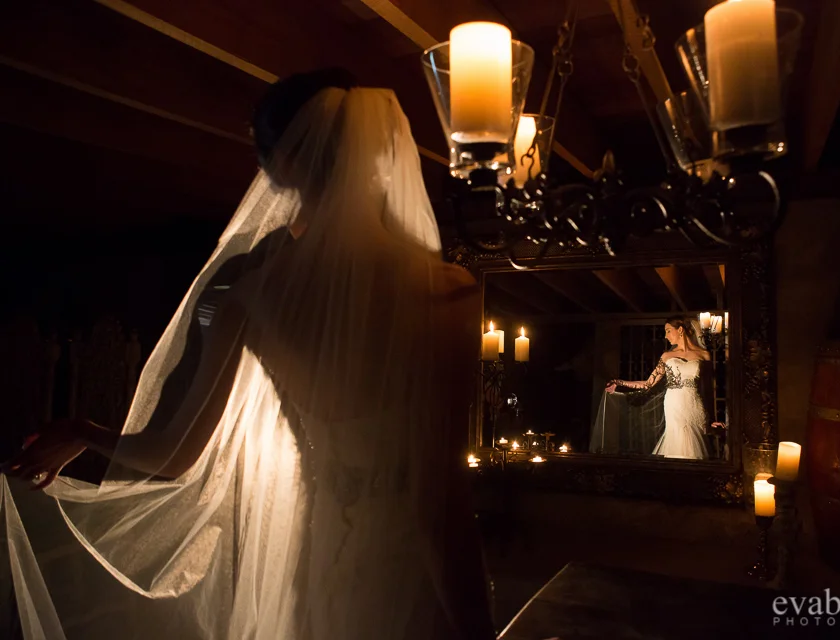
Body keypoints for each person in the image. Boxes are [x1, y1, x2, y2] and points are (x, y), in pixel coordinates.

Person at [0, 69, 496, 639]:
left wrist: (82, 431)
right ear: (380, 150)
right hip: (406, 567)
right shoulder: (448, 292)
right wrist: (475, 627)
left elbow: (174, 455)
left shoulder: (252, 298)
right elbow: (440, 493)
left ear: (278, 168)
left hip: (318, 557)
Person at [605, 317, 712, 459]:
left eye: (668, 331)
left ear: (680, 330)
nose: (666, 336)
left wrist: (713, 418)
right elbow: (648, 384)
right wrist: (619, 382)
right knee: (679, 439)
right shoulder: (667, 356)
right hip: (674, 404)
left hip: (695, 405)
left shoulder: (704, 355)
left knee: (696, 444)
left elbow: (708, 390)